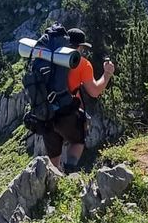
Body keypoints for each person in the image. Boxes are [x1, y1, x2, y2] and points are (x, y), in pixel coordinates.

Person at [40, 27, 114, 174]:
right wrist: (107, 74)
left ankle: (55, 184)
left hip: (45, 112)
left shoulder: (50, 59)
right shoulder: (82, 63)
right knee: (77, 141)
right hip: (67, 112)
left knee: (54, 155)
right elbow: (94, 91)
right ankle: (69, 172)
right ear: (79, 47)